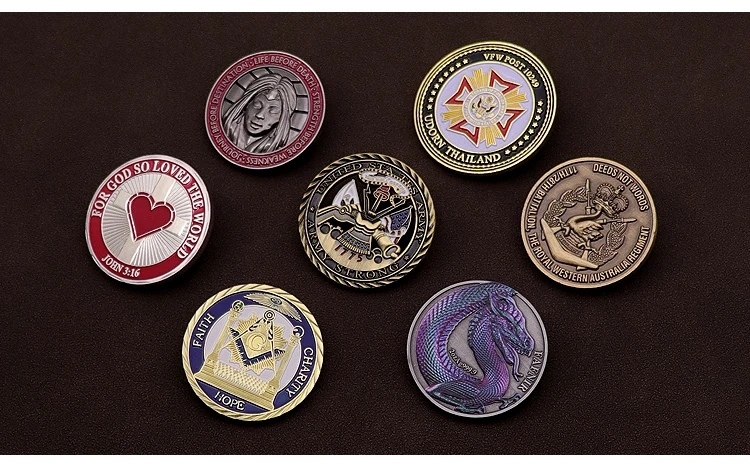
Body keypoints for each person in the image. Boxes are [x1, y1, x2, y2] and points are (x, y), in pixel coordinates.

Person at [222, 73, 297, 154]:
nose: (259, 115)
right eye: (257, 105)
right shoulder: (228, 128)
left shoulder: (275, 147)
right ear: (247, 103)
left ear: (282, 117)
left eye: (273, 111)